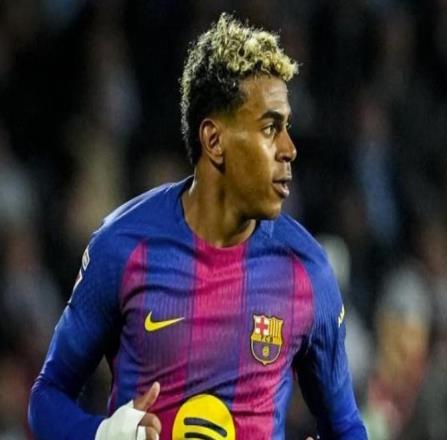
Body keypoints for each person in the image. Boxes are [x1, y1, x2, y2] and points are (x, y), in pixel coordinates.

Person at [28, 13, 367, 440]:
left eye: (287, 128)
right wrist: (102, 434)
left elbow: (346, 425)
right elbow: (47, 396)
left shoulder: (308, 271)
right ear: (214, 140)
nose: (289, 149)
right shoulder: (124, 246)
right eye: (270, 128)